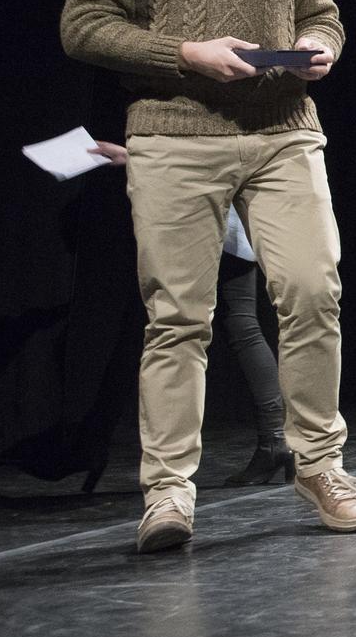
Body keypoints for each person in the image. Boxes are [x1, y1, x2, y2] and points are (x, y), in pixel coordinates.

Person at [61, 0, 356, 553]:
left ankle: (318, 461)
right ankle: (167, 490)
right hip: (174, 131)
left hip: (283, 127)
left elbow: (322, 13)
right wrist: (186, 52)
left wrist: (321, 47)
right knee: (178, 317)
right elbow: (86, 25)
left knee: (312, 288)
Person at [94, 142, 293, 485]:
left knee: (179, 325)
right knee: (238, 325)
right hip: (226, 208)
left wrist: (136, 155)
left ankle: (98, 445)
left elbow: (196, 142)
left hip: (206, 208)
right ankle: (278, 442)